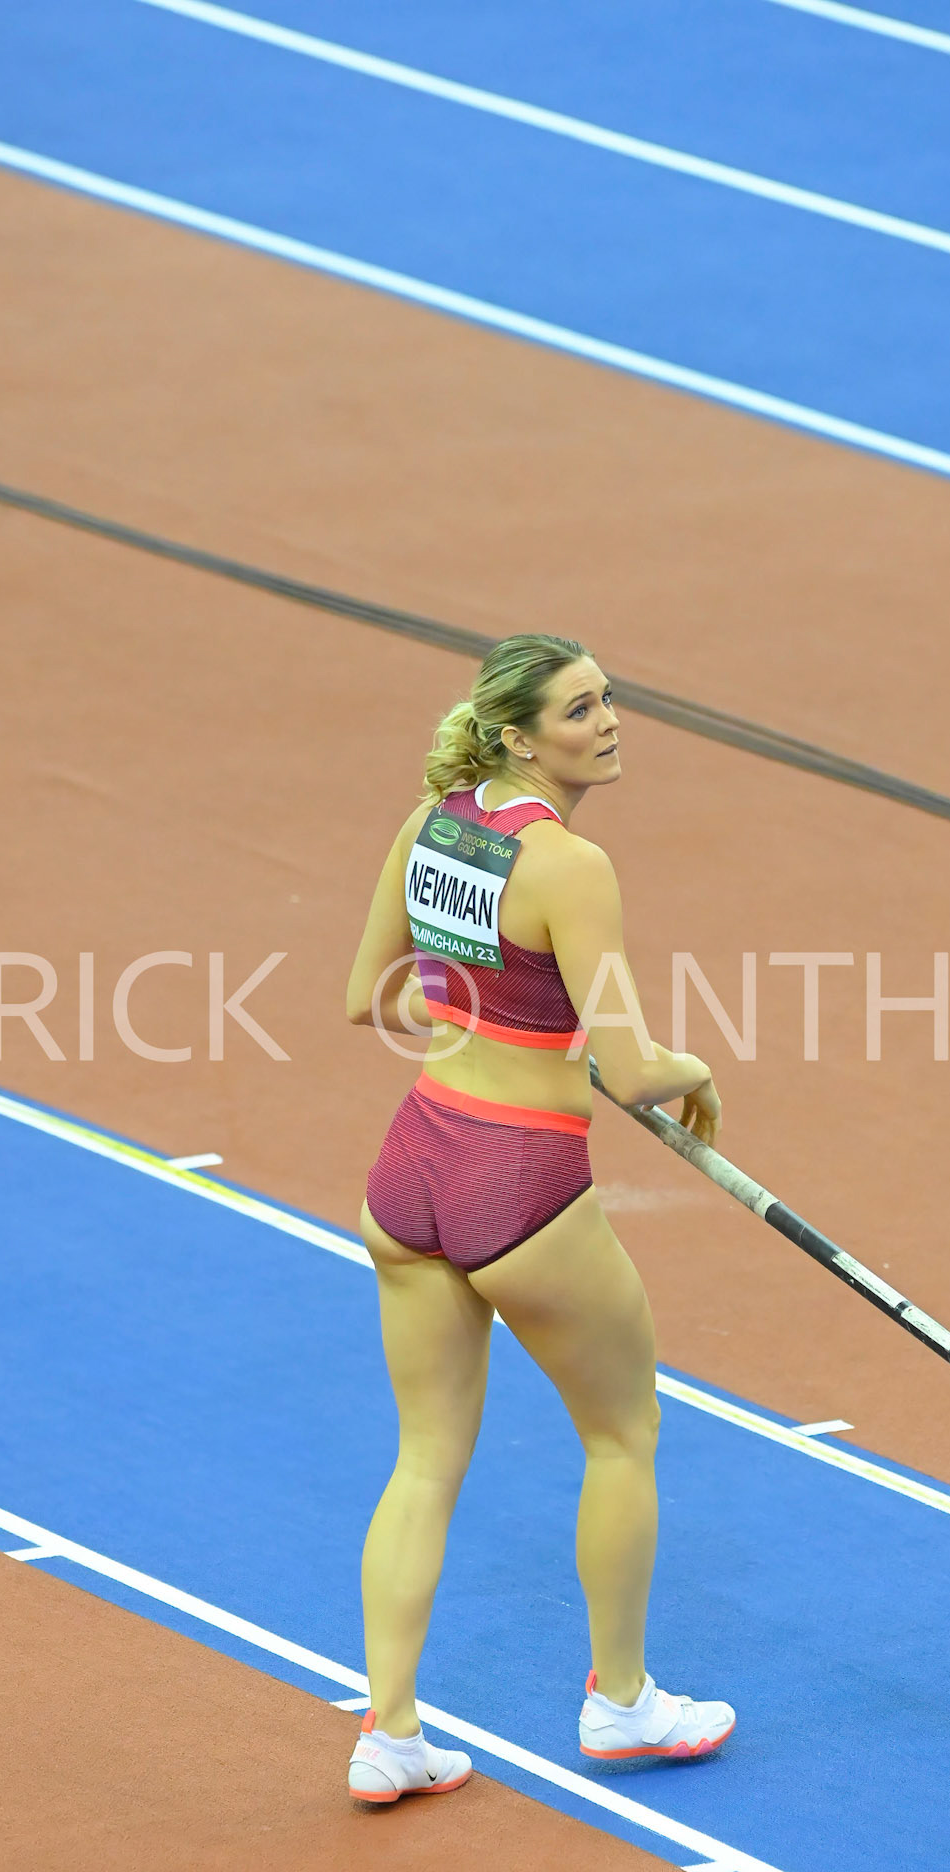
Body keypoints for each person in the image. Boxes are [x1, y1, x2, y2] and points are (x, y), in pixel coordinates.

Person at [343, 633, 735, 1804]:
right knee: (622, 1435)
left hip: (411, 1165)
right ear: (520, 733)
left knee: (422, 1461)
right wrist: (694, 1064)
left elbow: (368, 994)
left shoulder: (430, 827)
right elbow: (628, 1069)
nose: (609, 719)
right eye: (581, 706)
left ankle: (390, 1732)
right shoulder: (571, 864)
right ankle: (621, 1703)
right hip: (518, 1181)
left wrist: (483, 997)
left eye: (610, 697)